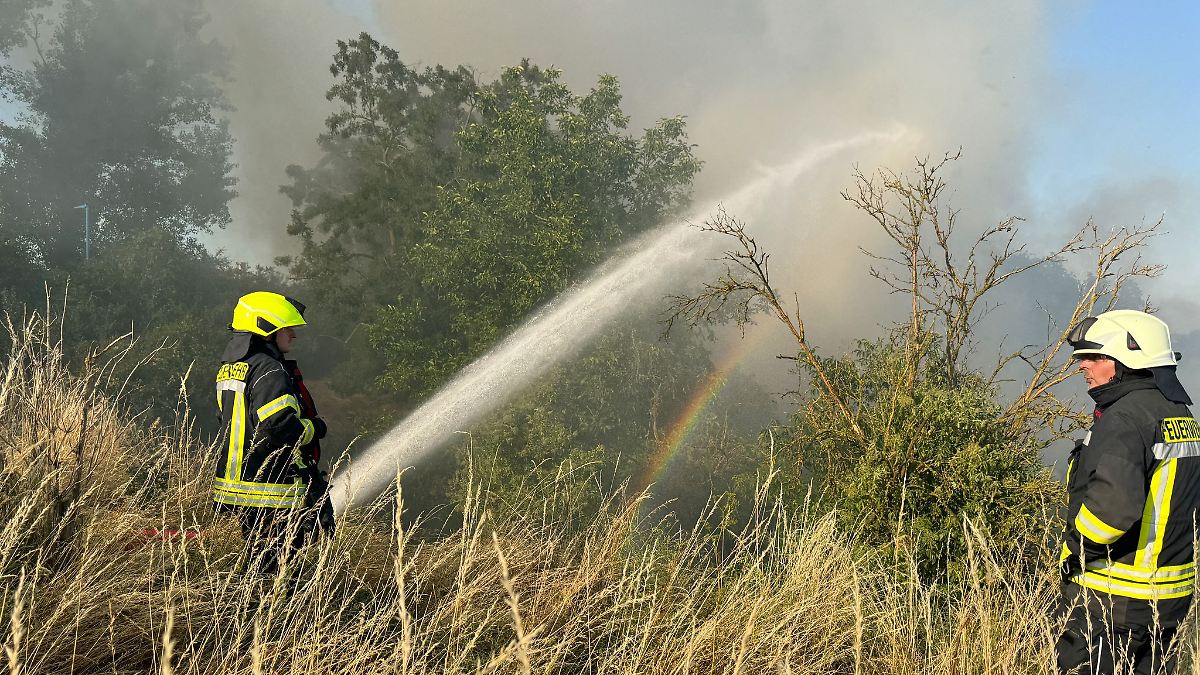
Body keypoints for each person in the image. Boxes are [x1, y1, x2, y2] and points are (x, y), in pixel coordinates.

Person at [1057, 309, 1198, 674]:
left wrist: (1074, 548)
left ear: (1125, 360)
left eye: (1093, 356)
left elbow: (1110, 514)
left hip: (1111, 601)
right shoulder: (1178, 415)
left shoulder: (1124, 419)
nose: (1082, 366)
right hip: (1166, 601)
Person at [213, 291, 334, 577]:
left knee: (261, 561)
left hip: (242, 484)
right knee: (277, 570)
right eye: (286, 327)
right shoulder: (270, 370)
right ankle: (273, 615)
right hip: (271, 487)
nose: (293, 334)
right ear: (266, 329)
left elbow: (227, 420)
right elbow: (276, 428)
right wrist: (315, 428)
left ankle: (250, 610)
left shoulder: (231, 370)